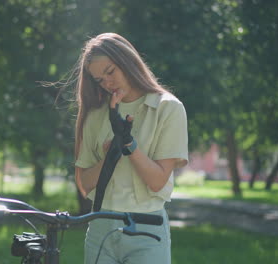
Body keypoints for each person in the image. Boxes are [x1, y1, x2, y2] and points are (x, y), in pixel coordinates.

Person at [72, 32, 188, 264]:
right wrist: (109, 157)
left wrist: (128, 144)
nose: (107, 83)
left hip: (147, 227)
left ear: (127, 61)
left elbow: (157, 182)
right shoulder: (95, 114)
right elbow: (84, 184)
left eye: (110, 71)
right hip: (100, 227)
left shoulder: (168, 108)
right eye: (99, 80)